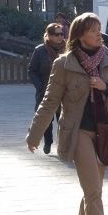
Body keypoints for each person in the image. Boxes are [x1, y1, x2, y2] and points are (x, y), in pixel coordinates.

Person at [25, 12, 108, 215]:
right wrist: (35, 134)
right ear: (79, 34)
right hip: (78, 131)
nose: (98, 34)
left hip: (106, 131)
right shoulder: (64, 64)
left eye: (99, 29)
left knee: (94, 189)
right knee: (93, 189)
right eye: (92, 30)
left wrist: (105, 87)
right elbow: (49, 102)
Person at [28, 23, 66, 154]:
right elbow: (32, 70)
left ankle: (62, 144)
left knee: (63, 120)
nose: (60, 37)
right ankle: (48, 142)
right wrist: (39, 86)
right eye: (57, 34)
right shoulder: (40, 50)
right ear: (49, 36)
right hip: (45, 91)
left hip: (64, 92)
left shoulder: (67, 50)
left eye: (62, 34)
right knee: (46, 119)